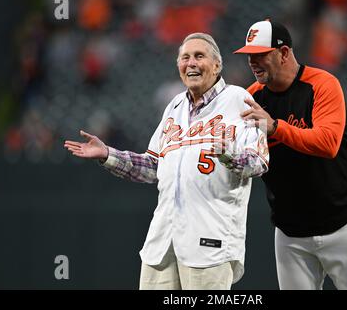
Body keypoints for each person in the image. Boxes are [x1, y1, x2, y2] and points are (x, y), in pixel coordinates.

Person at [64, 32, 269, 290]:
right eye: (185, 57)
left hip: (210, 242)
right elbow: (153, 167)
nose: (191, 63)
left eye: (199, 56)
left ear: (217, 65)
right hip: (162, 243)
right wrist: (108, 155)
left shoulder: (240, 99)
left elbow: (259, 161)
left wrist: (228, 155)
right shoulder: (174, 107)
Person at [234, 20, 347, 290]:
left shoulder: (322, 84)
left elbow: (328, 143)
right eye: (249, 55)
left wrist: (275, 127)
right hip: (291, 233)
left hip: (344, 222)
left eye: (260, 54)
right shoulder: (250, 98)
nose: (252, 62)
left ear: (284, 53)